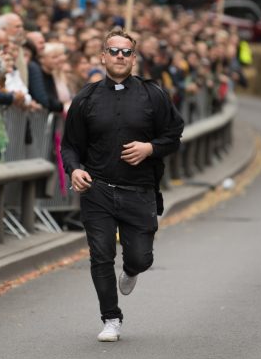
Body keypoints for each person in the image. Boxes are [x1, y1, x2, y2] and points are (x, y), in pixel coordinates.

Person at [61, 29, 184, 342]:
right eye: (113, 51)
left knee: (142, 258)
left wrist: (150, 149)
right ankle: (111, 318)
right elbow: (70, 146)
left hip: (139, 191)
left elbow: (174, 135)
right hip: (97, 189)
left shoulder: (153, 95)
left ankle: (131, 270)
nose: (119, 56)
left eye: (126, 52)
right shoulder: (86, 98)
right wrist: (74, 170)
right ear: (102, 56)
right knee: (100, 255)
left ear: (134, 58)